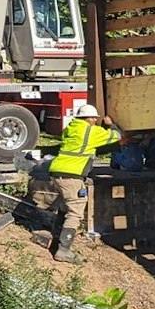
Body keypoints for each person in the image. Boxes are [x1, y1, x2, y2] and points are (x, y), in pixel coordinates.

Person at [48, 100, 120, 262]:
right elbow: (116, 136)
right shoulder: (91, 131)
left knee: (65, 208)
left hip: (57, 172)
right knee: (75, 211)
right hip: (71, 175)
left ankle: (56, 239)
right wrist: (111, 125)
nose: (96, 120)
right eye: (94, 118)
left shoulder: (70, 129)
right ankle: (63, 250)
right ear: (89, 118)